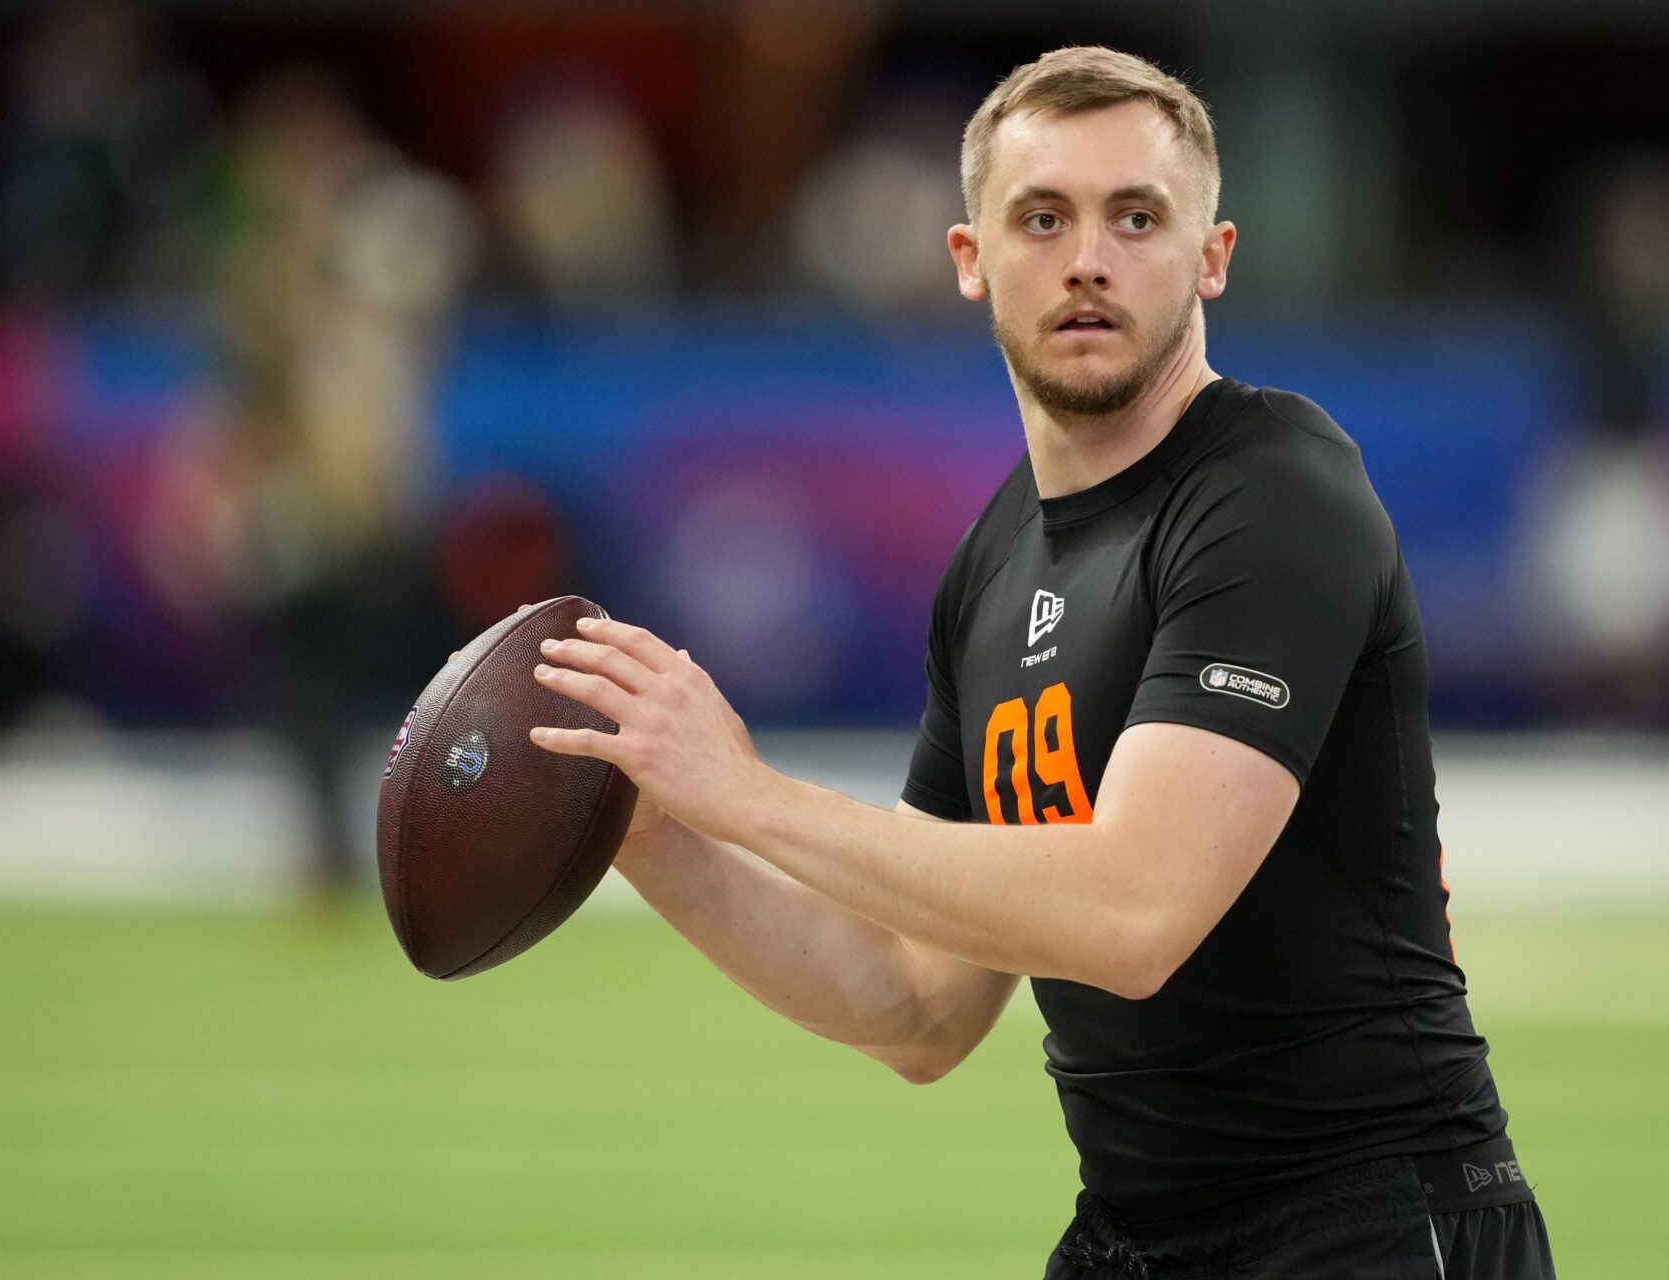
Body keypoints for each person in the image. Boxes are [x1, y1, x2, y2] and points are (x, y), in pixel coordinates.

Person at [529, 45, 1557, 1279]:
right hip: (1136, 1233)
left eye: (1137, 217)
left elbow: (1134, 912)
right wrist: (653, 830)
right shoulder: (994, 563)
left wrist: (749, 792)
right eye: (1042, 217)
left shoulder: (1275, 486)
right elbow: (917, 1005)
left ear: (1213, 256)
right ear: (971, 260)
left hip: (1372, 1219)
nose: (1088, 258)